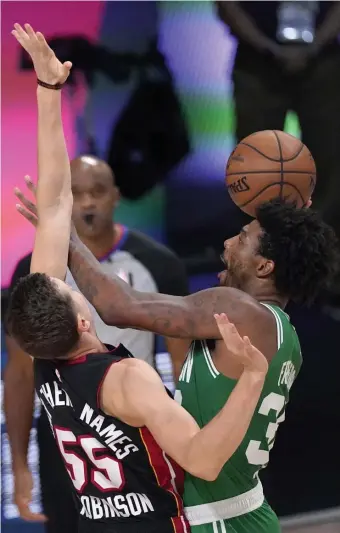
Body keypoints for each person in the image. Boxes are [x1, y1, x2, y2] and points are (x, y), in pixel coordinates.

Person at [11, 25, 339, 533]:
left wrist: (60, 228)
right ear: (80, 317)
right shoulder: (265, 326)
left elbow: (121, 305)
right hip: (221, 512)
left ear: (267, 265)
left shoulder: (236, 312)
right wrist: (60, 223)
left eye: (244, 236)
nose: (228, 242)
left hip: (213, 517)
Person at [5, 103, 187, 533]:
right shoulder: (36, 272)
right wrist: (19, 463)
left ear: (116, 195)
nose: (87, 203)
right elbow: (17, 375)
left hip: (138, 430)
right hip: (68, 439)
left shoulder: (157, 263)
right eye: (78, 193)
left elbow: (185, 368)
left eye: (98, 191)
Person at [216, 1, 340, 240]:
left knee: (330, 156)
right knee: (254, 161)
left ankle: (324, 250)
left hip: (323, 62)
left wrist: (315, 46)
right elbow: (226, 4)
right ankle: (256, 247)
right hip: (256, 63)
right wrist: (266, 48)